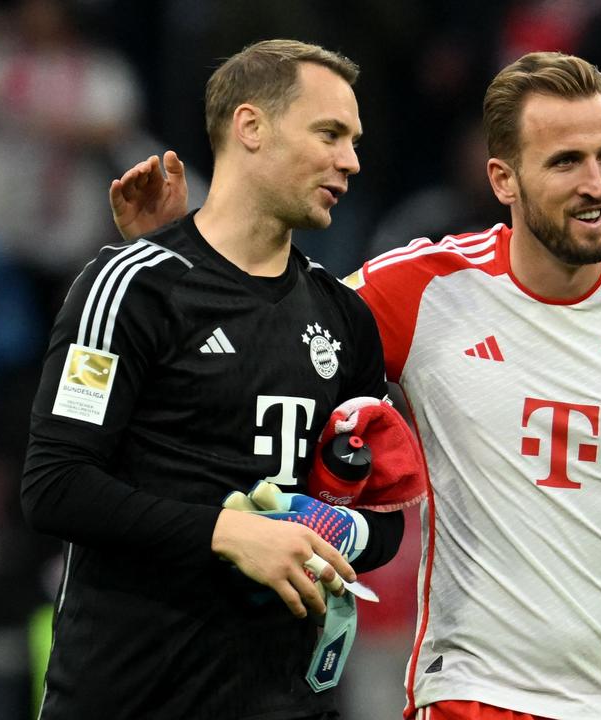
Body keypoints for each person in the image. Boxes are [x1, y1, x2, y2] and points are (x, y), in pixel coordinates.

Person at [111, 51, 601, 720]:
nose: (596, 183)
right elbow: (257, 347)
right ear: (503, 178)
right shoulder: (420, 290)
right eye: (566, 161)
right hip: (472, 692)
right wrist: (173, 259)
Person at [21, 39, 405, 720]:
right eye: (329, 133)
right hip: (129, 698)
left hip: (285, 704)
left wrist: (327, 528)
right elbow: (55, 487)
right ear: (250, 127)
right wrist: (229, 533)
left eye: (353, 139)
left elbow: (383, 522)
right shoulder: (132, 286)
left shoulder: (344, 318)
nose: (350, 160)